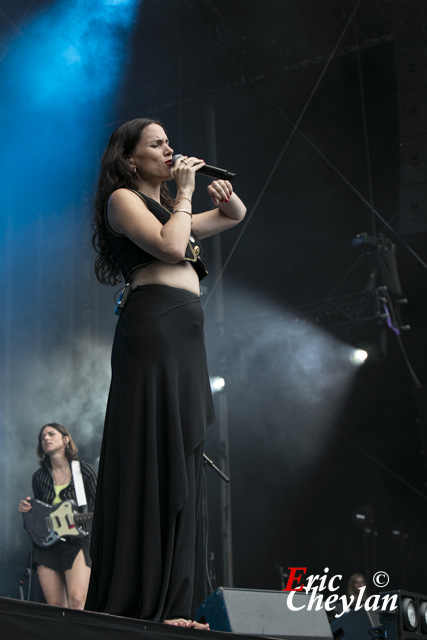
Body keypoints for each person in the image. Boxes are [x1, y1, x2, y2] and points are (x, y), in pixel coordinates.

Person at [85, 117, 246, 627]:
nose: (170, 149)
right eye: (157, 144)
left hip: (183, 335)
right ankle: (142, 600)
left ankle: (175, 604)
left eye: (169, 142)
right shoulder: (123, 199)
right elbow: (172, 247)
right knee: (152, 452)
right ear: (131, 159)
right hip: (151, 329)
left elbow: (233, 215)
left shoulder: (170, 208)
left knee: (181, 453)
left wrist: (218, 195)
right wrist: (184, 193)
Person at [18, 422, 98, 609]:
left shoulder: (83, 472)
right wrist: (27, 511)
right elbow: (40, 515)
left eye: (51, 434)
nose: (45, 438)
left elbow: (101, 510)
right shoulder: (39, 477)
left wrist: (78, 520)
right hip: (46, 544)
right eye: (42, 437)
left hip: (77, 541)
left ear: (66, 439)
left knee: (78, 600)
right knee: (55, 605)